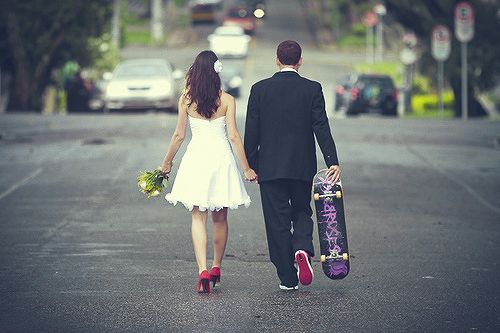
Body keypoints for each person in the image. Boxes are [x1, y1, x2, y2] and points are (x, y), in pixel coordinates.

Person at [244, 40, 341, 290]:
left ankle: (288, 277)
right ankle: (302, 247)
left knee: (276, 222)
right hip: (301, 166)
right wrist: (332, 161)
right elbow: (321, 126)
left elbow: (251, 132)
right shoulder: (312, 89)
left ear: (277, 60)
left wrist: (251, 164)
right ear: (300, 61)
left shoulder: (259, 89)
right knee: (302, 210)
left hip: (270, 167)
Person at [160, 50, 257, 293]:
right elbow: (234, 136)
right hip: (221, 160)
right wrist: (246, 168)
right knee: (221, 218)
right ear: (217, 71)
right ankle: (216, 266)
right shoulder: (227, 100)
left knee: (197, 216)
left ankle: (202, 269)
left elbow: (179, 135)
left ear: (196, 71)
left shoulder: (186, 99)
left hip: (197, 159)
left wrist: (167, 163)